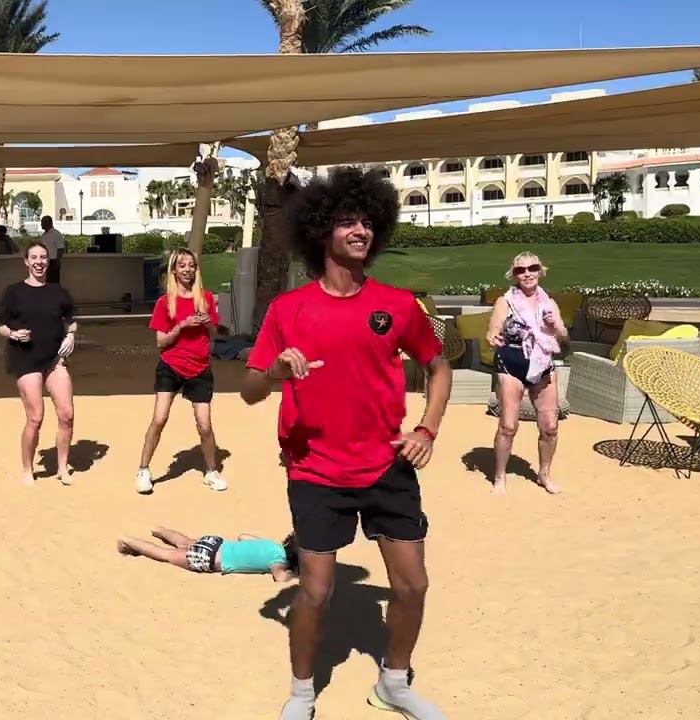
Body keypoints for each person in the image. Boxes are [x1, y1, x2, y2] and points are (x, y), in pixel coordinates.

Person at [240, 167, 451, 720]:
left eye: (367, 222)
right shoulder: (288, 309)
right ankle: (302, 694)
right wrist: (275, 373)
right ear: (320, 231)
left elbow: (438, 366)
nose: (360, 231)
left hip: (387, 465)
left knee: (412, 586)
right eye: (347, 222)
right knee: (315, 592)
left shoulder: (397, 305)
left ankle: (394, 683)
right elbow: (248, 390)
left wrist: (426, 429)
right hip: (315, 470)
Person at [134, 249, 226, 494]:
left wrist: (208, 323)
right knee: (159, 418)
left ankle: (211, 471)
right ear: (174, 270)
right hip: (171, 365)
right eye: (182, 265)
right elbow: (161, 342)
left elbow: (215, 334)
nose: (187, 270)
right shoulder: (165, 303)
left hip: (200, 367)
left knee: (204, 425)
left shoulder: (205, 298)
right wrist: (181, 326)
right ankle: (143, 469)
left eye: (191, 265)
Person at [0, 242, 78, 486]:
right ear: (26, 261)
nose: (39, 262)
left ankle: (62, 467)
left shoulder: (58, 291)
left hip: (54, 359)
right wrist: (13, 334)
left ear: (48, 261)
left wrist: (71, 335)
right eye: (34, 257)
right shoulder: (14, 292)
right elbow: (1, 325)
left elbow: (72, 319)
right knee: (35, 417)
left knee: (67, 414)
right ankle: (27, 469)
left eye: (43, 257)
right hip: (25, 358)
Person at [486, 251, 566, 496]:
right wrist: (492, 337)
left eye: (532, 268)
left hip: (542, 364)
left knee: (550, 426)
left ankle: (544, 474)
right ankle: (500, 476)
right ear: (514, 275)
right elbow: (492, 331)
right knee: (508, 425)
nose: (527, 274)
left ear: (540, 271)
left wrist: (554, 326)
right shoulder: (505, 302)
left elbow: (563, 334)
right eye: (521, 270)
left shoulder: (549, 303)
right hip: (511, 363)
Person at [117, 528, 299, 581]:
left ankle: (159, 530)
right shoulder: (278, 561)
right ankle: (127, 540)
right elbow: (280, 577)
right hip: (210, 559)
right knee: (166, 555)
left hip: (215, 543)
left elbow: (242, 536)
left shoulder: (272, 546)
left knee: (185, 541)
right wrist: (295, 575)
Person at [39, 215, 65, 284]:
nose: (41, 224)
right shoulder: (44, 235)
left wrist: (57, 261)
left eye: (43, 222)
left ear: (49, 223)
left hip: (53, 262)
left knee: (53, 282)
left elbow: (60, 248)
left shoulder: (56, 234)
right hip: (45, 262)